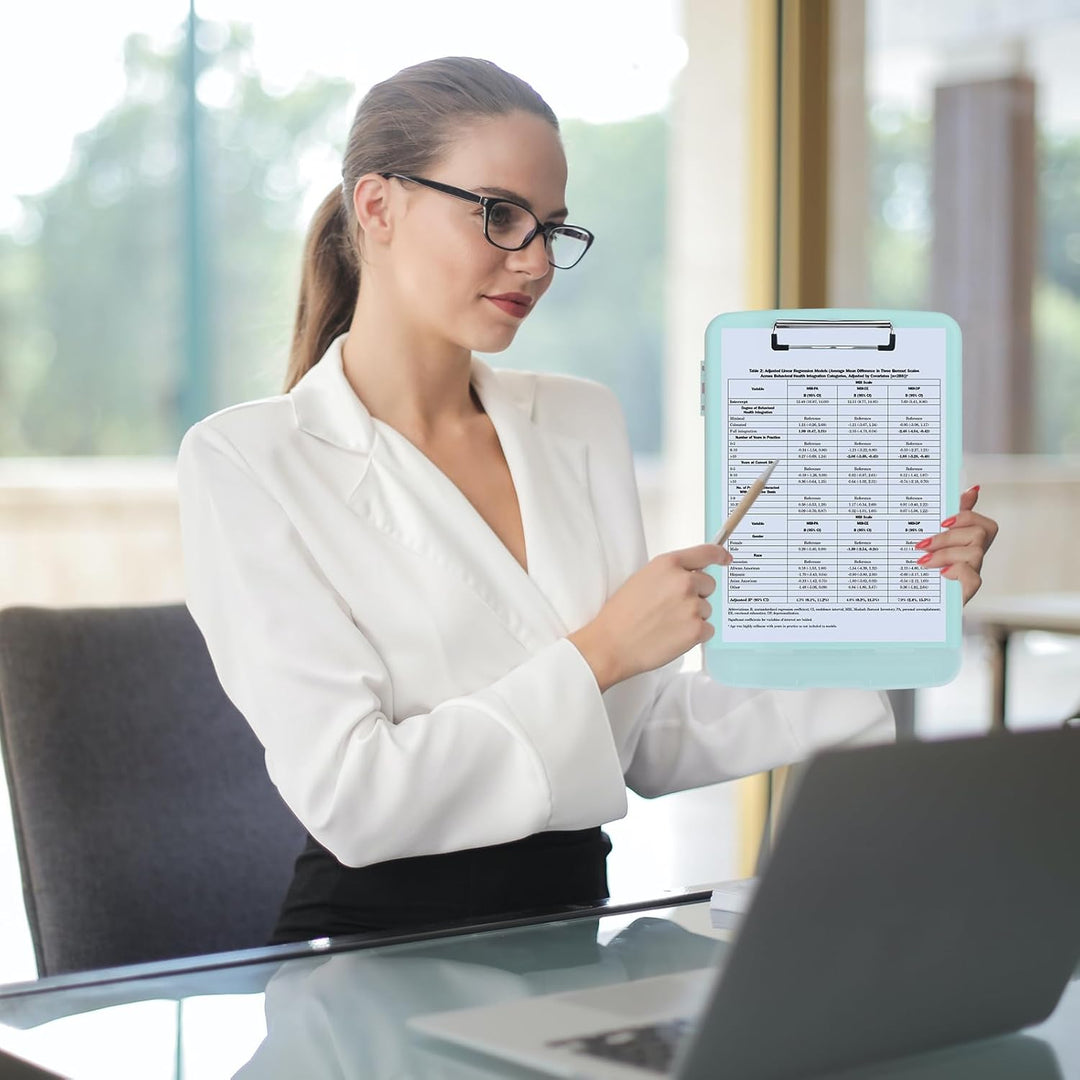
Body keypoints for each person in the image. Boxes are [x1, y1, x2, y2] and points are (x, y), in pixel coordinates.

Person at [176, 57, 998, 943]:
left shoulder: (578, 422)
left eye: (552, 229)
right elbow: (354, 796)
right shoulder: (247, 461)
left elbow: (640, 735)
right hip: (374, 956)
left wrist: (886, 618)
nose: (534, 261)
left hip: (573, 933)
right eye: (498, 215)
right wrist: (602, 649)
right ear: (377, 207)